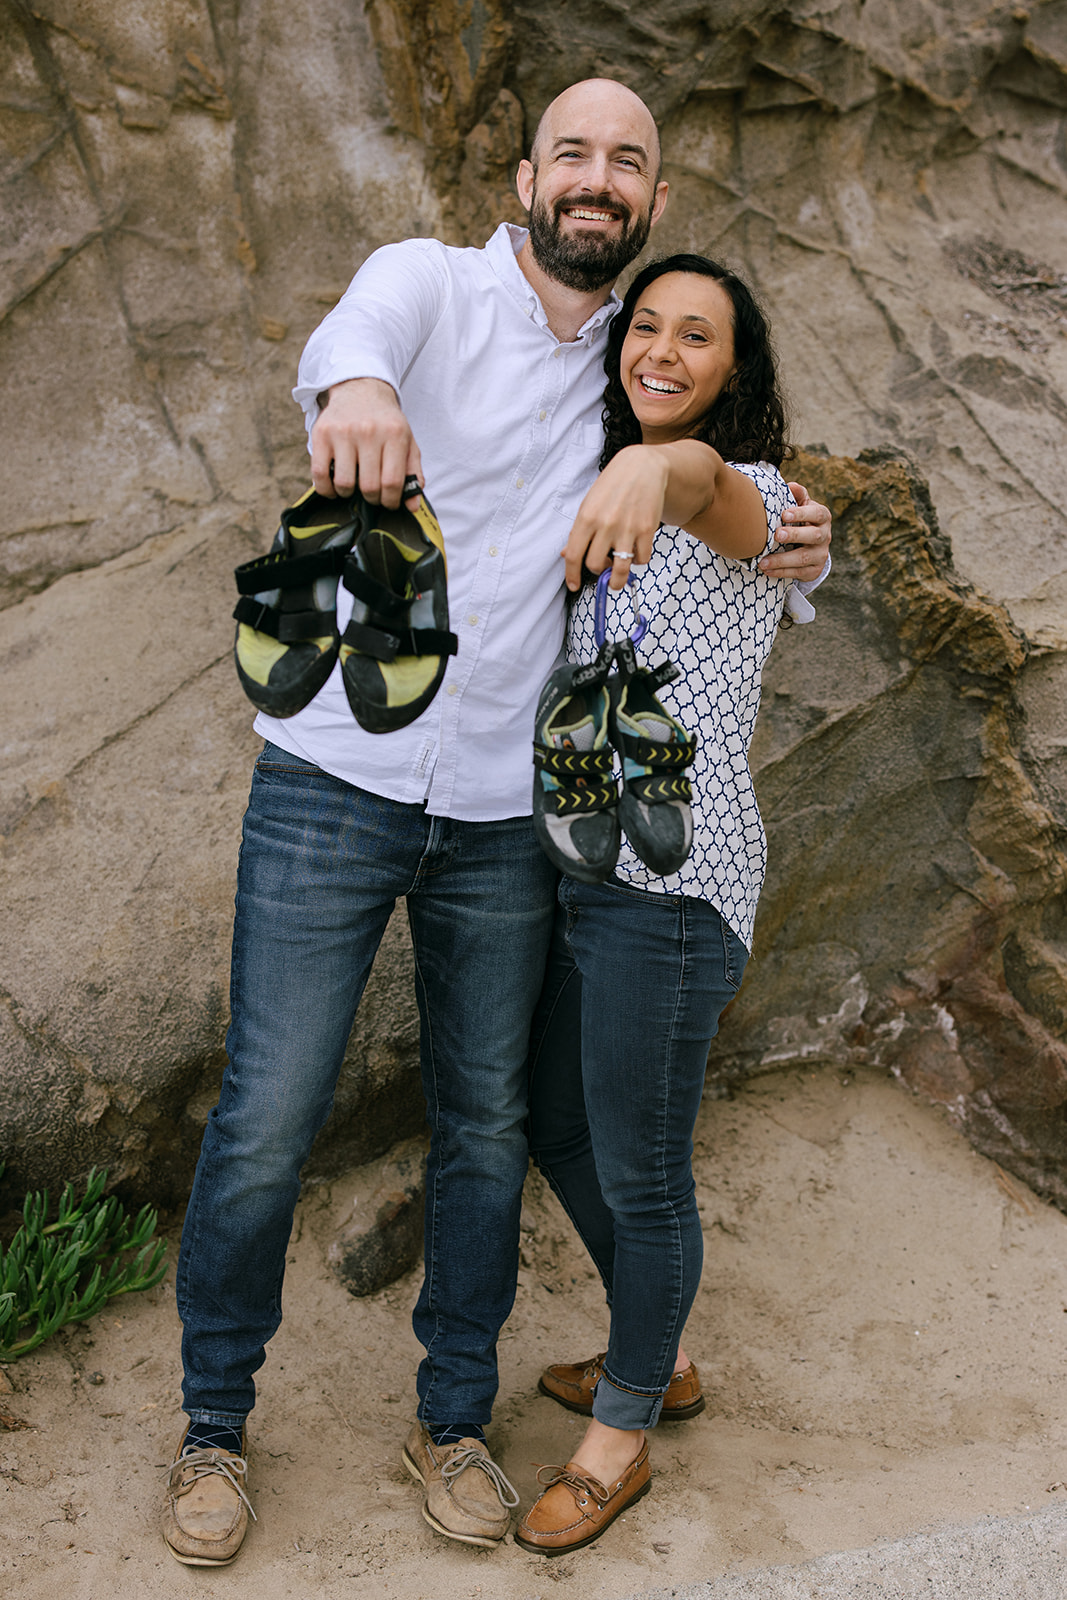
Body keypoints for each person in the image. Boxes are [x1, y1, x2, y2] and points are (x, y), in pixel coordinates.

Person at [162, 79, 831, 1568]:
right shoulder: (433, 285)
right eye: (575, 154)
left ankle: (453, 1415)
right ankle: (214, 1428)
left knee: (485, 1128)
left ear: (653, 201)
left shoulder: (635, 370)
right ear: (529, 174)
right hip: (331, 777)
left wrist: (742, 495)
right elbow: (356, 333)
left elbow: (744, 497)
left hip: (504, 820)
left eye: (629, 165)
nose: (598, 182)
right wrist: (356, 391)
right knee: (268, 1120)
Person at [518, 254, 804, 1554]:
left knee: (643, 1170)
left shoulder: (753, 501)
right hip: (585, 875)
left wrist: (658, 467)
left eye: (700, 337)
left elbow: (708, 491)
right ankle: (658, 1342)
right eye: (647, 326)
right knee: (555, 1122)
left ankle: (624, 1430)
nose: (666, 349)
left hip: (675, 893)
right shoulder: (582, 476)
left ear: (735, 374)